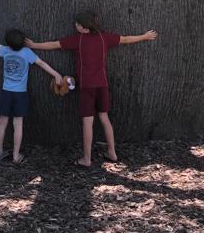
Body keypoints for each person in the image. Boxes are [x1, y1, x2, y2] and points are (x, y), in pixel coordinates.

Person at [26, 11, 157, 167]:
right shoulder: (104, 38)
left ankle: (87, 159)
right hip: (102, 85)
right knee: (104, 117)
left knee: (88, 122)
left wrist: (34, 45)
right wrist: (144, 36)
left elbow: (54, 44)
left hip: (87, 87)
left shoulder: (78, 40)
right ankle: (112, 152)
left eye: (78, 24)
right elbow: (126, 39)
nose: (75, 26)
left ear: (85, 29)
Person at [0, 29, 64, 164]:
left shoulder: (6, 50)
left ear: (8, 42)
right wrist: (56, 74)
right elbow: (42, 63)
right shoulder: (27, 52)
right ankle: (15, 156)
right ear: (23, 42)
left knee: (2, 122)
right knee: (18, 123)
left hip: (6, 92)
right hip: (20, 93)